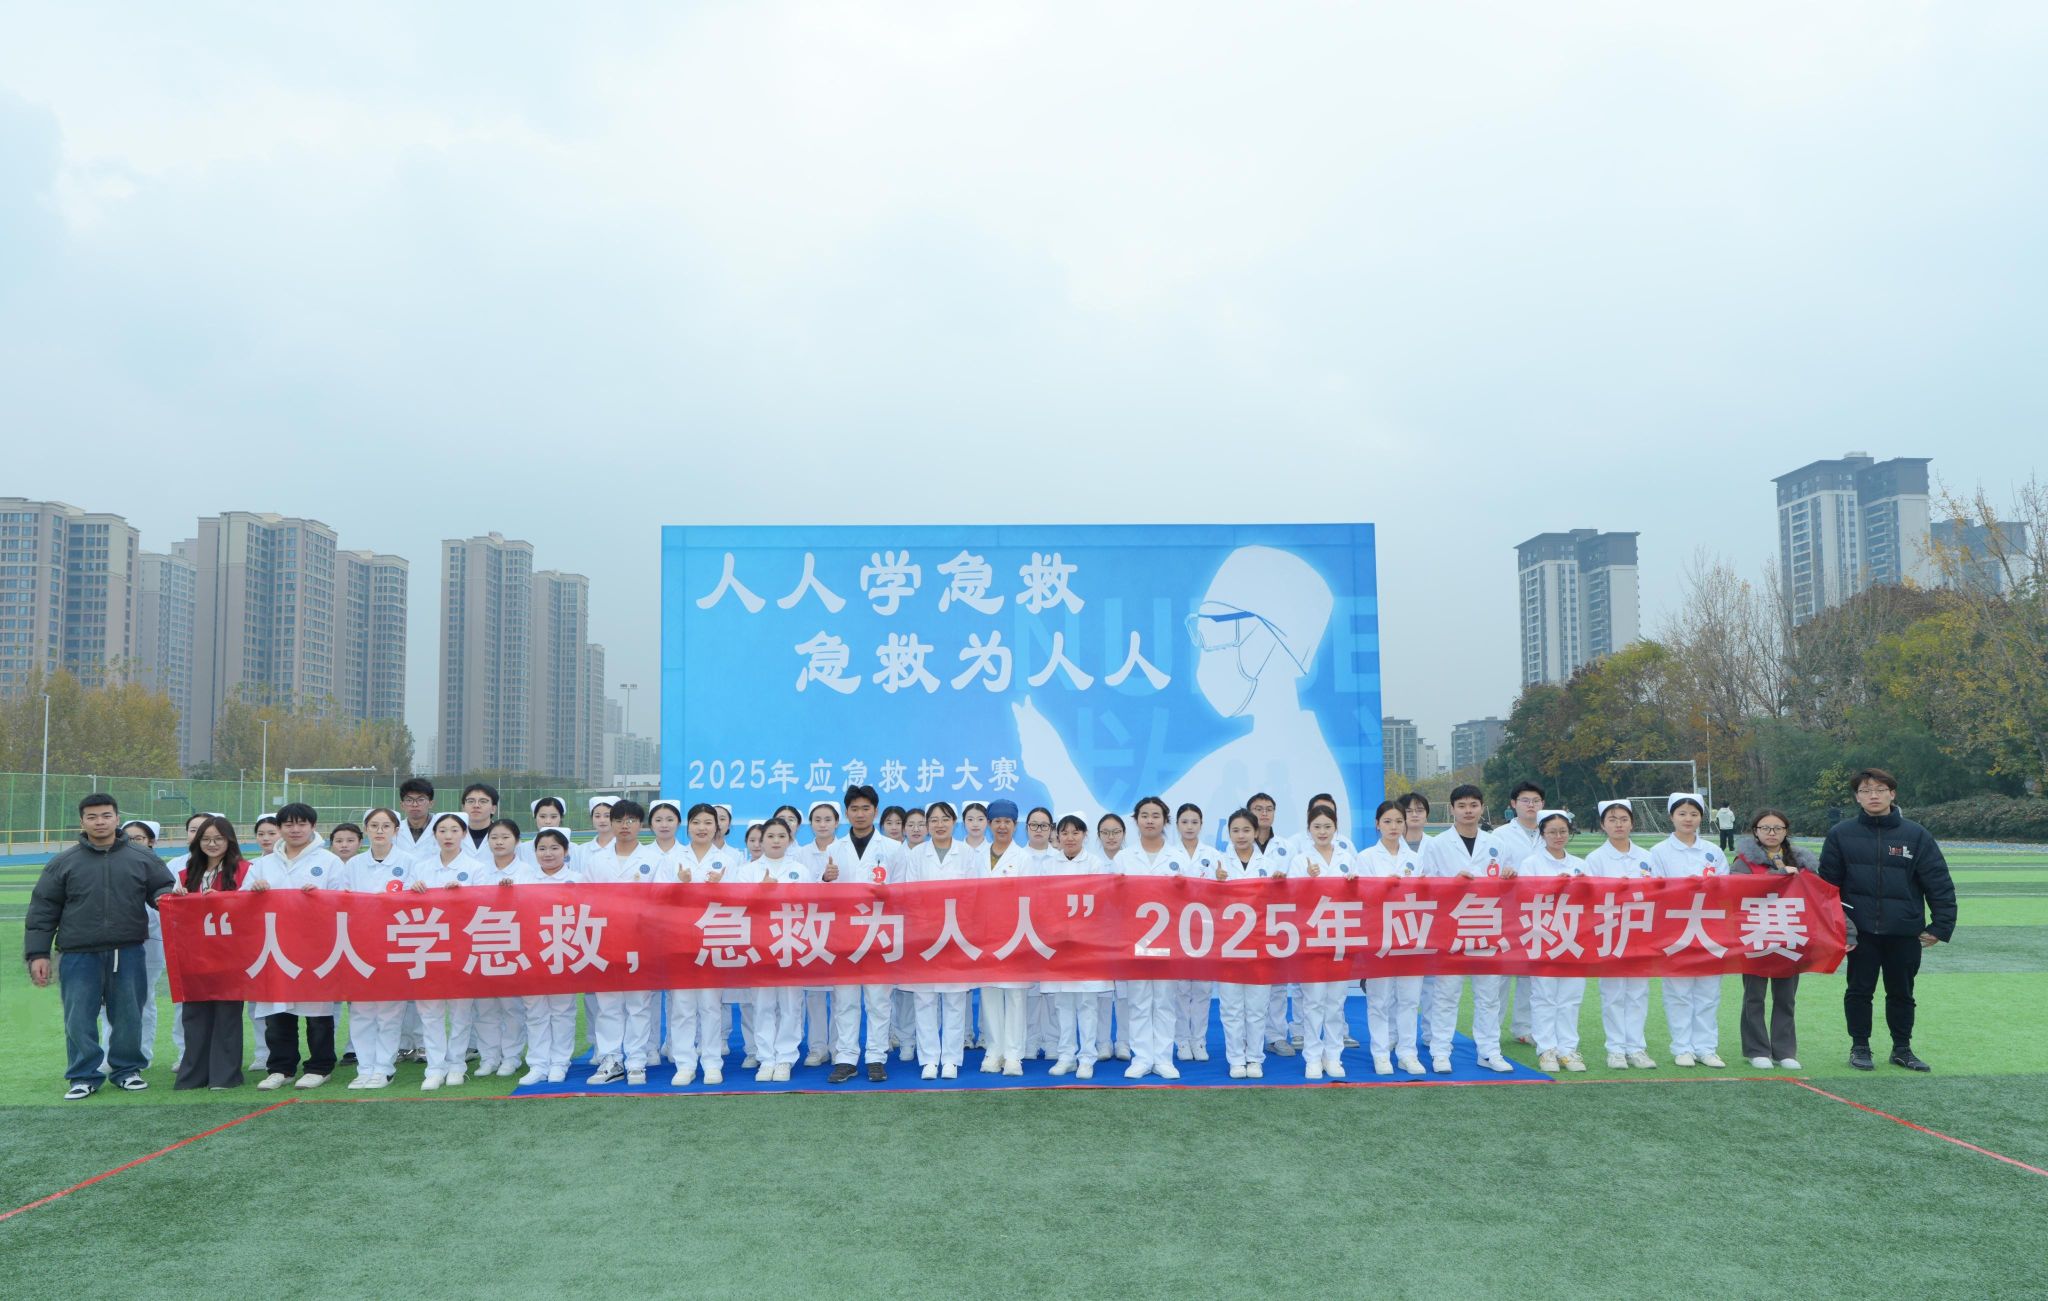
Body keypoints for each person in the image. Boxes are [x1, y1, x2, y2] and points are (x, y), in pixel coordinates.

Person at [25, 794, 176, 1099]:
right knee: (79, 1017)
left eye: (106, 815)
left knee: (128, 1015)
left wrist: (164, 897)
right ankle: (83, 1075)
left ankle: (127, 1070)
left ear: (117, 818)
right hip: (78, 953)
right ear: (82, 822)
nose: (100, 822)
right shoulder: (63, 863)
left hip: (128, 950)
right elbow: (43, 910)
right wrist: (38, 954)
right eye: (92, 817)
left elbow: (163, 887)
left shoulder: (142, 857)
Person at [1818, 768, 1956, 1073]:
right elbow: (1826, 887)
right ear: (1857, 797)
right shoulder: (1841, 834)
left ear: (1892, 794)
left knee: (1902, 993)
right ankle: (1860, 1047)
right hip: (1860, 931)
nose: (1873, 796)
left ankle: (1902, 1049)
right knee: (1859, 991)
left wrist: (1941, 926)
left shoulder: (1916, 835)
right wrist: (1836, 928)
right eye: (1865, 791)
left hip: (1904, 930)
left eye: (1880, 790)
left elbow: (1938, 882)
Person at [247, 803, 347, 1090]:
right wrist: (255, 892)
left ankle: (320, 1067)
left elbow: (343, 900)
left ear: (313, 827)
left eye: (301, 824)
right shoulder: (262, 864)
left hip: (315, 949)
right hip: (274, 947)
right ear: (279, 828)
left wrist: (320, 897)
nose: (295, 830)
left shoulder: (329, 862)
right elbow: (242, 902)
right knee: (277, 1013)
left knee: (318, 1013)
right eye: (288, 824)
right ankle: (281, 1067)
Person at [1420, 784, 1514, 1074]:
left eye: (1473, 805)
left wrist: (1511, 876)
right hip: (1452, 928)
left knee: (1489, 996)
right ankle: (1440, 1052)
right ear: (1452, 809)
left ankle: (1489, 1051)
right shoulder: (1437, 844)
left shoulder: (1497, 844)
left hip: (1487, 926)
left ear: (1482, 808)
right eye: (1461, 806)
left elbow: (1510, 886)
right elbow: (1425, 885)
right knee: (1446, 995)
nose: (1468, 811)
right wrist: (1451, 882)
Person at [820, 785, 903, 1083]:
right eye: (854, 809)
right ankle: (846, 1058)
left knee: (878, 999)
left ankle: (876, 1057)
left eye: (865, 808)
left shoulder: (892, 848)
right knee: (845, 999)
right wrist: (825, 879)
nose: (860, 814)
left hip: (879, 932)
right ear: (846, 813)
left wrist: (887, 894)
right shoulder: (834, 849)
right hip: (844, 933)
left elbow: (903, 891)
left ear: (875, 811)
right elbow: (824, 897)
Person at [1732, 808, 1825, 1070]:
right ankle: (1757, 1049)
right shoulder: (1744, 861)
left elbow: (1819, 897)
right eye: (1765, 828)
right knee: (1754, 996)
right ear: (1755, 831)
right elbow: (1735, 889)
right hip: (1756, 935)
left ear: (1786, 831)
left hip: (1791, 934)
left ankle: (1784, 1051)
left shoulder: (1804, 862)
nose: (1771, 833)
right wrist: (1778, 877)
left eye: (1777, 828)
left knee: (1786, 996)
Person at [167, 815, 250, 1089]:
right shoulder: (186, 873)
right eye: (205, 839)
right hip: (195, 954)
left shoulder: (244, 871)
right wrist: (178, 899)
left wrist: (227, 900)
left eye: (218, 839)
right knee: (194, 1015)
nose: (212, 844)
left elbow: (252, 909)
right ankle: (194, 1075)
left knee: (227, 1015)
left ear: (229, 841)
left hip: (230, 954)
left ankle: (224, 1075)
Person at [585, 799, 661, 1086]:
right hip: (605, 940)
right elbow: (586, 900)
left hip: (641, 941)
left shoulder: (654, 859)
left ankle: (637, 1061)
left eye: (631, 820)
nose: (624, 826)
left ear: (641, 825)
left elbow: (661, 901)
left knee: (639, 1003)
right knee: (608, 1004)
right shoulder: (597, 860)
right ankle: (612, 1060)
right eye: (618, 820)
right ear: (611, 823)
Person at [1650, 792, 1728, 1068]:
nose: (1688, 819)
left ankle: (1706, 1048)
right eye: (1682, 813)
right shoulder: (1659, 852)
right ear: (1671, 816)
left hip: (1709, 929)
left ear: (1701, 818)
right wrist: (1685, 887)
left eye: (1694, 814)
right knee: (1678, 992)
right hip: (1675, 930)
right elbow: (1654, 889)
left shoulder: (1713, 851)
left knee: (1708, 992)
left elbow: (1726, 888)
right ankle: (1682, 1047)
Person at [664, 803, 740, 1086]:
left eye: (708, 823)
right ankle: (684, 1063)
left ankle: (711, 1062)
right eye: (696, 822)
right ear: (688, 826)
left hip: (713, 939)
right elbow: (656, 897)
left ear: (717, 828)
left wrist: (721, 888)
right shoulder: (673, 859)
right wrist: (679, 883)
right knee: (682, 1005)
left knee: (710, 1004)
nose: (702, 828)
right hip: (680, 939)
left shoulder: (728, 861)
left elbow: (739, 902)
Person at [1117, 796, 1190, 1081]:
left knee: (1164, 1000)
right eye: (1144, 815)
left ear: (1165, 821)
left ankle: (1163, 1058)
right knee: (1138, 1000)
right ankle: (1142, 1058)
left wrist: (1182, 888)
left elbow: (1193, 900)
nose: (1150, 820)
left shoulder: (1178, 858)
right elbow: (1113, 900)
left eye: (1156, 815)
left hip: (1168, 939)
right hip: (1134, 939)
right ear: (1136, 820)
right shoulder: (1123, 858)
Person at [903, 802, 977, 1079]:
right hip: (925, 936)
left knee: (955, 999)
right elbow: (911, 894)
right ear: (927, 825)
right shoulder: (917, 854)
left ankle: (951, 1059)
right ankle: (929, 1059)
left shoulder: (966, 853)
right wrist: (926, 925)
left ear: (954, 822)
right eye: (933, 820)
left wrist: (958, 924)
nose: (939, 825)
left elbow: (973, 894)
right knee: (924, 999)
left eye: (944, 819)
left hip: (957, 934)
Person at [340, 808, 413, 1089]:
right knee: (361, 1011)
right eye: (374, 826)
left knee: (389, 1012)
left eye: (386, 826)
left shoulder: (409, 862)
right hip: (359, 945)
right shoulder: (354, 864)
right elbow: (341, 902)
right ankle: (365, 1067)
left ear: (396, 830)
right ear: (366, 830)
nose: (380, 831)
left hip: (394, 945)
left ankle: (384, 1068)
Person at [735, 818, 811, 1082]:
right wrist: (760, 891)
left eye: (781, 836)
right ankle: (766, 1058)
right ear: (761, 840)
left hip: (791, 943)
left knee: (791, 1003)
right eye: (770, 836)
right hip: (759, 944)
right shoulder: (747, 872)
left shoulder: (800, 870)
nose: (776, 841)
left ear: (790, 840)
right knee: (762, 1004)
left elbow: (810, 907)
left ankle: (786, 1058)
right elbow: (738, 907)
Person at [410, 811, 483, 1090]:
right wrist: (412, 890)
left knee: (461, 1012)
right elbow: (402, 906)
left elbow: (485, 907)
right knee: (430, 1012)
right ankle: (434, 1068)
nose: (448, 836)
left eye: (454, 830)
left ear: (464, 834)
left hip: (461, 947)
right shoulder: (420, 868)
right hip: (427, 947)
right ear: (434, 835)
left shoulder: (475, 868)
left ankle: (457, 1065)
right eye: (442, 830)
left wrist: (464, 894)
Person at [1582, 800, 1656, 1069]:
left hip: (1640, 932)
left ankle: (1636, 1048)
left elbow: (1661, 892)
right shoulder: (1595, 859)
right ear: (1603, 825)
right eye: (1612, 820)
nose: (1619, 824)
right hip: (1609, 933)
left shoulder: (1647, 857)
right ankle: (1615, 1049)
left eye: (1624, 819)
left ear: (1632, 823)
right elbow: (1588, 897)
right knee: (1613, 993)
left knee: (1638, 992)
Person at [1037, 814, 1109, 1080]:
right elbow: (1042, 901)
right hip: (1058, 943)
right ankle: (1066, 1055)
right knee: (1063, 1001)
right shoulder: (1048, 865)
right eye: (1065, 833)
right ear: (1057, 836)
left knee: (1087, 1002)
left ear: (1084, 835)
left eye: (1075, 833)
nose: (1070, 838)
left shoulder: (1095, 864)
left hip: (1086, 943)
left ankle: (1087, 1057)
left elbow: (1100, 901)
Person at [1356, 800, 1426, 1076]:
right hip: (1379, 935)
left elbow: (1425, 895)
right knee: (1379, 999)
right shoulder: (1366, 857)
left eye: (1398, 821)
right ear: (1377, 825)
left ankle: (1407, 1053)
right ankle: (1381, 1053)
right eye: (1387, 821)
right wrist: (1383, 888)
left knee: (1409, 998)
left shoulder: (1415, 858)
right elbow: (1361, 896)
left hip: (1410, 934)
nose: (1394, 827)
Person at [512, 828, 586, 1085]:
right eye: (542, 849)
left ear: (566, 852)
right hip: (532, 951)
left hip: (564, 951)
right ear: (534, 853)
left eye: (554, 848)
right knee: (535, 1010)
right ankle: (538, 1064)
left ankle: (559, 1063)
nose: (548, 853)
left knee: (562, 1010)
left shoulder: (578, 880)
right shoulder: (523, 878)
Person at [1292, 804, 1358, 1080]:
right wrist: (1308, 880)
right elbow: (1291, 899)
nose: (1322, 831)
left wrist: (1354, 883)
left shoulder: (1347, 858)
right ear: (1309, 829)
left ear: (1335, 828)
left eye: (1327, 826)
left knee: (1335, 1002)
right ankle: (1312, 1056)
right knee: (1313, 1000)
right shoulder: (1300, 860)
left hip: (1341, 937)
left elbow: (1361, 897)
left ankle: (1333, 1055)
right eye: (1317, 827)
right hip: (1312, 938)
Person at [1520, 810, 1589, 1073]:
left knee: (1571, 996)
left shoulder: (1580, 864)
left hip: (1574, 937)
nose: (1558, 836)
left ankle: (1568, 1050)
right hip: (1543, 936)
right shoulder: (1531, 864)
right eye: (1552, 832)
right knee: (1544, 995)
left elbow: (1592, 899)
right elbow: (1525, 897)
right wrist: (1552, 887)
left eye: (1563, 831)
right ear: (1542, 834)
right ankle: (1546, 1049)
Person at [1213, 809, 1277, 1078]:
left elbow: (1279, 904)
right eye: (1235, 830)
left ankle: (1255, 1058)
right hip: (1228, 946)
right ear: (1228, 833)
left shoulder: (1269, 864)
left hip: (1260, 945)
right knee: (1231, 1007)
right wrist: (1214, 884)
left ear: (1256, 832)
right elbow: (1204, 903)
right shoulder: (1217, 863)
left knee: (1257, 1006)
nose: (1241, 835)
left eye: (1246, 830)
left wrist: (1280, 885)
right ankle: (1236, 1059)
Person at [977, 798, 1035, 1076]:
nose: (1002, 826)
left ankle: (1013, 1055)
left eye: (1007, 822)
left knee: (1015, 995)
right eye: (997, 821)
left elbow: (1030, 898)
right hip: (985, 935)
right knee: (989, 992)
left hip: (1015, 934)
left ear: (1015, 825)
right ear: (989, 824)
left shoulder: (1024, 858)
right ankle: (994, 1050)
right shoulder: (976, 857)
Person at [469, 818, 528, 1078]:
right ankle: (489, 1056)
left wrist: (511, 894)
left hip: (513, 943)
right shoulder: (478, 871)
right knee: (484, 1006)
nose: (499, 842)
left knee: (511, 1005)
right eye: (494, 838)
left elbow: (534, 906)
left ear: (517, 841)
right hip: (482, 942)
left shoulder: (526, 871)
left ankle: (511, 1056)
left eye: (505, 837)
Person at [1491, 781, 1547, 1047]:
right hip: (1507, 910)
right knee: (1501, 973)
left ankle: (1524, 1027)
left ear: (1542, 804)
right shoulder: (1500, 835)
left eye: (1536, 800)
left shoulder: (1549, 831)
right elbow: (1491, 869)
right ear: (1513, 804)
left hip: (1539, 911)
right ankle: (1492, 1028)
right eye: (1525, 800)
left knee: (1530, 971)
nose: (1531, 805)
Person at [1173, 803, 1222, 1062]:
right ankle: (1182, 1041)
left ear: (1201, 825)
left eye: (1194, 822)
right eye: (1185, 822)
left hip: (1205, 928)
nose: (1189, 827)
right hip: (1177, 928)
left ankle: (1199, 1041)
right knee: (1181, 989)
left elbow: (1222, 892)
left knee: (1203, 988)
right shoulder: (1169, 854)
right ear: (1177, 825)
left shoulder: (1213, 855)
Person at [393, 777, 437, 858]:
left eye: (421, 800)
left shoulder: (441, 828)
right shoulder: (394, 831)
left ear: (431, 803)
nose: (415, 805)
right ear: (402, 805)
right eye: (409, 800)